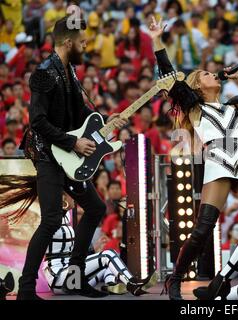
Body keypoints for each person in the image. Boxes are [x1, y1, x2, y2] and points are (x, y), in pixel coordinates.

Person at [148, 16, 238, 300]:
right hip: (218, 162)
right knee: (204, 229)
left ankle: (233, 280)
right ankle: (175, 279)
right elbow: (169, 75)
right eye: (207, 74)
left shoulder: (235, 107)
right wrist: (157, 40)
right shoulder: (193, 106)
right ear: (197, 86)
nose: (213, 75)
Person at [16, 16, 127, 300]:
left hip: (67, 154)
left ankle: (76, 280)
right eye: (82, 42)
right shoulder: (43, 73)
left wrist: (106, 123)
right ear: (68, 43)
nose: (86, 45)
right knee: (51, 220)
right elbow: (37, 121)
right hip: (48, 155)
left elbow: (79, 117)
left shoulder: (71, 71)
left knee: (95, 208)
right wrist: (73, 142)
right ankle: (27, 290)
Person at [0, 182, 155, 296]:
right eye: (71, 193)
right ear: (62, 199)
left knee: (107, 265)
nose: (76, 197)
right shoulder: (49, 221)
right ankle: (133, 283)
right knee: (108, 256)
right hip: (59, 276)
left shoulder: (66, 217)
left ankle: (111, 285)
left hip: (71, 274)